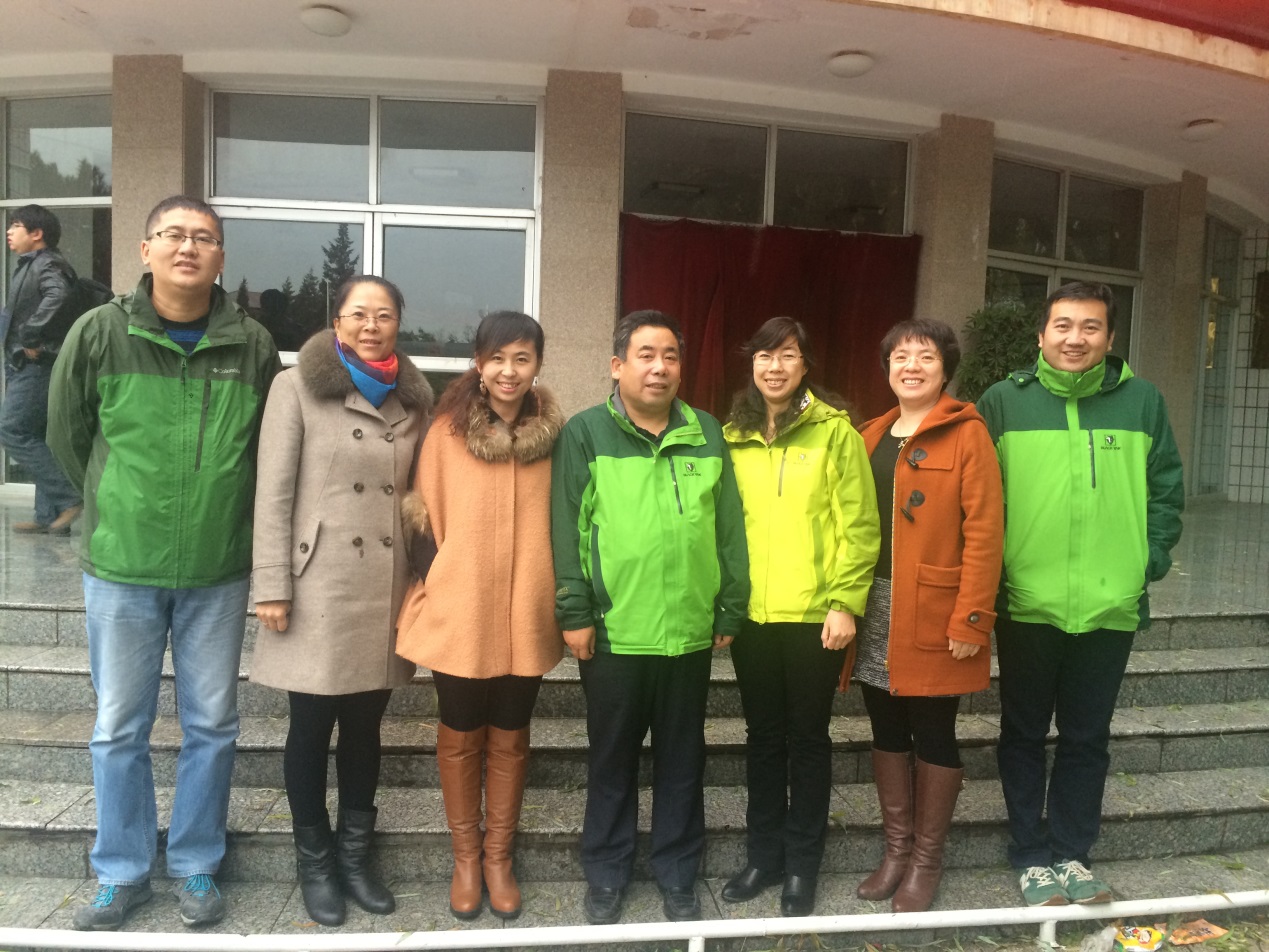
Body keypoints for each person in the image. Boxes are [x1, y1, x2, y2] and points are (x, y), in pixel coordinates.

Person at [47, 196, 281, 931]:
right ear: (146, 249)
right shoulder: (100, 332)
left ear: (221, 258)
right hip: (122, 564)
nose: (188, 247)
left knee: (213, 723)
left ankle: (196, 863)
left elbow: (267, 452)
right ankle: (120, 871)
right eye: (173, 235)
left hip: (218, 565)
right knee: (120, 725)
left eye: (203, 238)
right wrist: (115, 501)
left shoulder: (252, 344)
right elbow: (66, 433)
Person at [977, 281, 1184, 907]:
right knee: (1021, 733)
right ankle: (1029, 855)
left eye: (1090, 327)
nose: (1075, 338)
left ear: (1110, 337)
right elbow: (978, 498)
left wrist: (1146, 561)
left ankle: (1072, 853)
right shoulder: (1003, 402)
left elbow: (1165, 488)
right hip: (1026, 603)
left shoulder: (1142, 401)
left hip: (1109, 605)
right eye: (1063, 326)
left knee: (1087, 738)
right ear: (1041, 335)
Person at [551, 309, 749, 926]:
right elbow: (567, 529)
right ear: (618, 366)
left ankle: (677, 874)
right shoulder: (586, 433)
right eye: (645, 355)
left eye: (670, 356)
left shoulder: (706, 432)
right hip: (616, 632)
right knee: (611, 760)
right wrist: (575, 610)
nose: (658, 367)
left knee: (682, 761)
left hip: (688, 633)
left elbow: (728, 526)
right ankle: (606, 873)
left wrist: (731, 602)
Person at [251, 276, 433, 926]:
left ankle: (356, 859)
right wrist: (271, 583)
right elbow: (272, 491)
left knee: (364, 727)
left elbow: (420, 499)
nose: (371, 325)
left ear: (398, 325)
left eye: (384, 315)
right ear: (338, 321)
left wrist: (429, 577)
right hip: (317, 584)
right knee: (310, 726)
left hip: (383, 585)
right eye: (359, 313)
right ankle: (316, 861)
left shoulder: (414, 403)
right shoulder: (295, 387)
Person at [395, 310, 564, 922]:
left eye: (522, 358)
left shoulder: (556, 437)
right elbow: (419, 513)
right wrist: (439, 576)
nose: (508, 371)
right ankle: (466, 858)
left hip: (529, 608)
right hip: (459, 607)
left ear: (537, 364)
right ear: (478, 363)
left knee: (512, 733)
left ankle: (499, 858)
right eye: (497, 358)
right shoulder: (446, 432)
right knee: (462, 731)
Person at [720, 317, 879, 916]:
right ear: (752, 364)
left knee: (808, 739)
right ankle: (763, 856)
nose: (775, 367)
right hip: (753, 617)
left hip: (816, 616)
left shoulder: (835, 432)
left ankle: (801, 866)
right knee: (762, 738)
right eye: (764, 355)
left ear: (805, 365)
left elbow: (859, 525)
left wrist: (845, 603)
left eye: (787, 355)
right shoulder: (732, 435)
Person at [851, 318, 1003, 912]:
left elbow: (985, 531)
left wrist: (972, 618)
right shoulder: (868, 435)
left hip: (937, 610)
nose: (911, 366)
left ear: (945, 369)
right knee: (886, 730)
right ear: (887, 367)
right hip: (875, 607)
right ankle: (896, 851)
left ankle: (926, 860)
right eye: (901, 357)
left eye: (926, 357)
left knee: (934, 732)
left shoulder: (967, 434)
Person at [2, 205, 83, 535]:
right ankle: (49, 516)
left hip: (39, 363)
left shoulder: (48, 263)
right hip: (28, 362)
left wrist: (30, 335)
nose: (9, 231)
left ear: (37, 234)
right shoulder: (31, 265)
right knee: (39, 435)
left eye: (15, 225)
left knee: (12, 429)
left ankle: (69, 497)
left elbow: (58, 294)